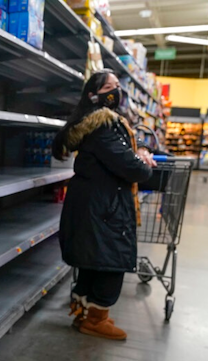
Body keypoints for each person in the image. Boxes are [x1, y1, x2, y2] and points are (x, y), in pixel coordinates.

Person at [52, 69, 156, 341]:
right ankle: (97, 321)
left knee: (93, 261)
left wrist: (138, 152)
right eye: (110, 86)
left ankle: (84, 314)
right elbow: (129, 167)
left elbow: (118, 154)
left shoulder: (95, 124)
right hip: (105, 206)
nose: (117, 90)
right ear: (93, 95)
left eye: (118, 85)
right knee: (111, 262)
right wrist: (143, 164)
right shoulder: (102, 124)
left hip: (94, 203)